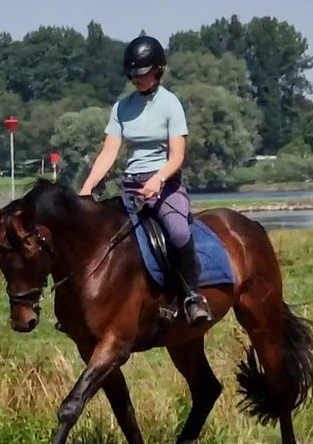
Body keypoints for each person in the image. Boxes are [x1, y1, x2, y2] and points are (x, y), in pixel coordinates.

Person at [78, 34, 212, 326]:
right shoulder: (121, 108)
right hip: (131, 187)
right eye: (133, 75)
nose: (137, 79)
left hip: (165, 186)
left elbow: (177, 155)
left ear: (158, 70)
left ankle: (192, 297)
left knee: (177, 232)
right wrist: (87, 189)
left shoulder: (170, 104)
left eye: (142, 74)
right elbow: (109, 153)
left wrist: (159, 179)